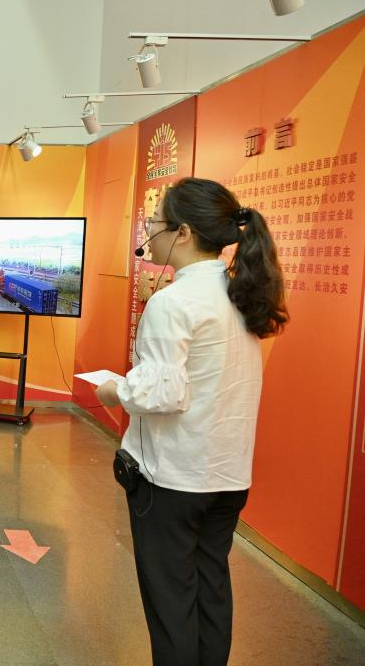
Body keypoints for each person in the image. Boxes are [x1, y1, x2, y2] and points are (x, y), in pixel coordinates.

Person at [95, 177, 288, 666]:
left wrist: (115, 390)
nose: (149, 231)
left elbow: (162, 393)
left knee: (171, 605)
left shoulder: (173, 302)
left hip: (173, 481)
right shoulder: (241, 293)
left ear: (182, 233)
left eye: (155, 222)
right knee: (210, 590)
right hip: (227, 477)